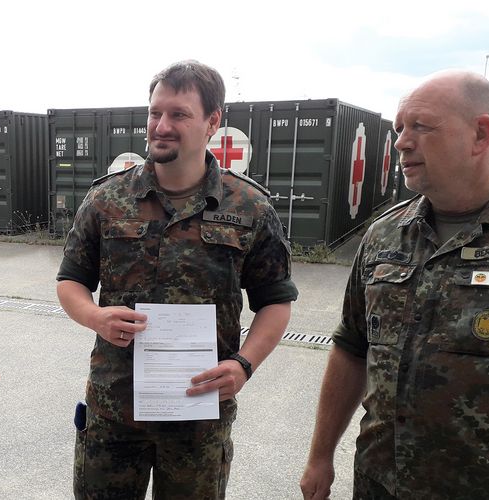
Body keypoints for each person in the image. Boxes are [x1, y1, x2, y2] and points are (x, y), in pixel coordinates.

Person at [56, 60, 298, 499]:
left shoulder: (249, 207)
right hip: (114, 412)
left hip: (198, 418)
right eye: (155, 113)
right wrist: (94, 317)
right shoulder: (106, 199)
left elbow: (276, 301)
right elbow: (70, 281)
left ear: (212, 122)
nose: (161, 126)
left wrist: (245, 365)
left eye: (179, 114)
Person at [300, 70, 489, 499]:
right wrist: (320, 456)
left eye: (420, 126)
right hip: (381, 484)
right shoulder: (384, 234)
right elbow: (351, 346)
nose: (401, 141)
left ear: (480, 134)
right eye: (400, 128)